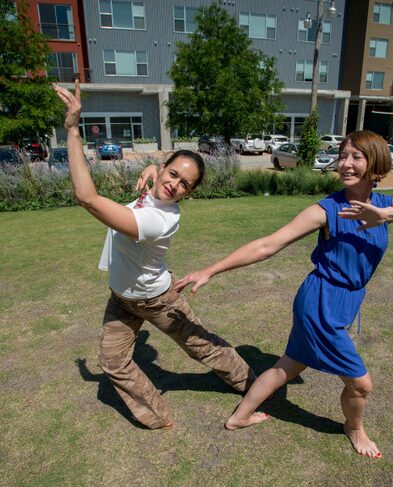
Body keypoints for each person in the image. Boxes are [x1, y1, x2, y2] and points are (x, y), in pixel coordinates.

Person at [174, 130, 393, 457]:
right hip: (320, 303)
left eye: (356, 156)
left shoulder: (387, 204)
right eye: (343, 155)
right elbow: (268, 245)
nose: (345, 163)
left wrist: (387, 215)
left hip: (345, 301)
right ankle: (355, 428)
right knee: (361, 384)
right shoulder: (326, 210)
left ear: (375, 160)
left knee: (288, 367)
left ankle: (238, 418)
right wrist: (210, 270)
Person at [54, 82, 255, 430]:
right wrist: (150, 169)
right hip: (121, 299)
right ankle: (158, 416)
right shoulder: (156, 192)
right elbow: (154, 184)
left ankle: (255, 385)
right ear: (163, 168)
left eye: (184, 185)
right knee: (113, 362)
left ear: (188, 194)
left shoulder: (159, 219)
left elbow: (87, 197)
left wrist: (72, 130)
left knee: (202, 347)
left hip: (157, 301)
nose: (175, 184)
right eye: (173, 173)